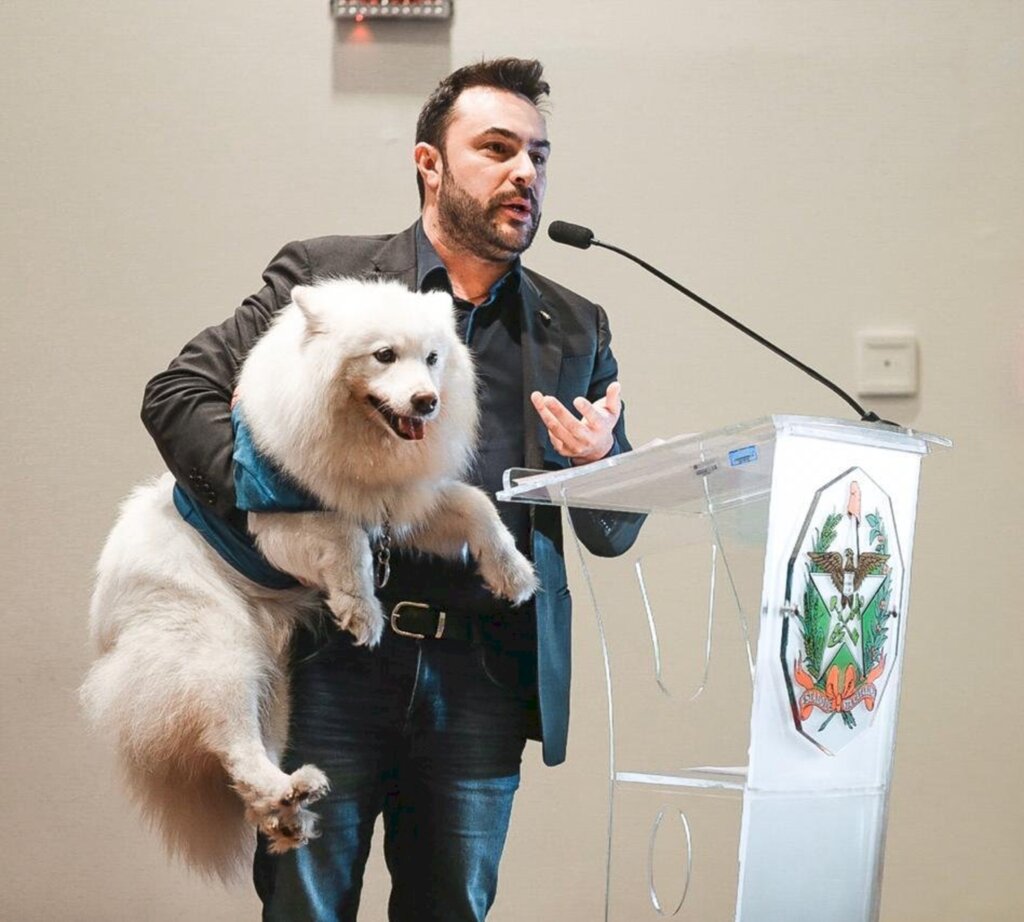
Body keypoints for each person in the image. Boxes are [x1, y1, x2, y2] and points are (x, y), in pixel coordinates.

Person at [142, 57, 642, 922]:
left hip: (483, 675)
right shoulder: (329, 283)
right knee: (304, 906)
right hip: (330, 659)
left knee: (451, 908)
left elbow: (614, 529)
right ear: (430, 165)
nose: (526, 173)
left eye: (539, 155)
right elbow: (175, 397)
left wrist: (598, 466)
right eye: (497, 148)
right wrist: (271, 488)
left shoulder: (574, 326)